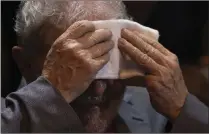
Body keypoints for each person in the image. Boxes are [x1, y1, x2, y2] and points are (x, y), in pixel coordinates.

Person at [1, 1, 208, 133]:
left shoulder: (156, 111)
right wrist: (49, 96)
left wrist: (185, 110)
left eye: (109, 59)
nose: (98, 88)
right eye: (74, 63)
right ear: (25, 63)